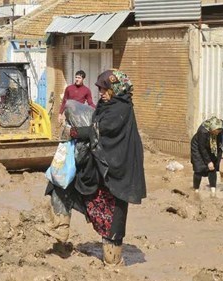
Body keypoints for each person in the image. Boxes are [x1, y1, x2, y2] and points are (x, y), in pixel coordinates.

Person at [39, 69, 146, 266]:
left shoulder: (120, 109)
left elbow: (100, 131)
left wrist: (74, 132)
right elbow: (94, 126)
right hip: (99, 166)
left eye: (105, 89)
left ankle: (114, 264)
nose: (101, 93)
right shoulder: (106, 107)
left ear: (116, 89)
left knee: (113, 227)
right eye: (100, 89)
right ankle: (60, 228)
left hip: (116, 172)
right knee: (62, 183)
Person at [191, 116, 223, 195]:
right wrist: (208, 161)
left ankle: (213, 190)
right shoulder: (202, 131)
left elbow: (220, 142)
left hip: (212, 146)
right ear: (211, 129)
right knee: (199, 168)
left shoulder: (220, 127)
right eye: (215, 132)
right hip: (198, 147)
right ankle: (196, 190)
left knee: (213, 168)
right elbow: (202, 148)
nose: (217, 133)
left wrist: (213, 160)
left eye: (219, 132)